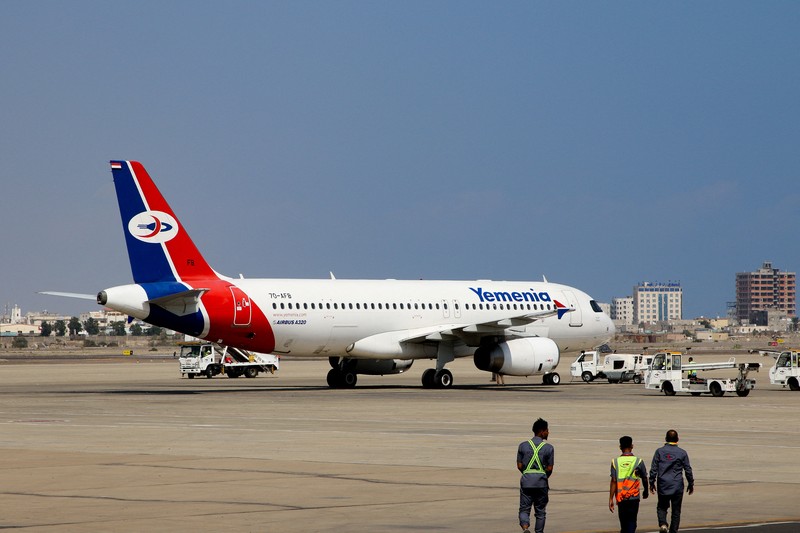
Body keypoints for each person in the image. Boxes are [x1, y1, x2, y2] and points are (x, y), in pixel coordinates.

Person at [649, 429, 694, 533]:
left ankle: (663, 523)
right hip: (677, 485)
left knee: (662, 507)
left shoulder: (659, 451)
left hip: (663, 484)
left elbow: (654, 468)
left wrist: (651, 482)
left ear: (665, 439)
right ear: (677, 439)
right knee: (676, 510)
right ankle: (673, 531)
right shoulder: (682, 453)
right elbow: (688, 470)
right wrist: (691, 483)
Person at [516, 418, 554, 533]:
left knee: (524, 509)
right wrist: (543, 476)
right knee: (540, 511)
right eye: (547, 430)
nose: (548, 432)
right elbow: (550, 468)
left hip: (526, 482)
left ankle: (526, 528)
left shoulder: (522, 445)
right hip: (541, 482)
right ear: (542, 431)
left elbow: (519, 465)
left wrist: (528, 474)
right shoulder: (549, 448)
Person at [609, 436, 648, 533]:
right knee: (632, 521)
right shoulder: (638, 461)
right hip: (633, 497)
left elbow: (614, 480)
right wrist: (646, 490)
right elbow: (644, 477)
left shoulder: (615, 462)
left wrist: (611, 498)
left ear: (620, 447)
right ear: (632, 446)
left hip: (621, 498)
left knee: (624, 523)